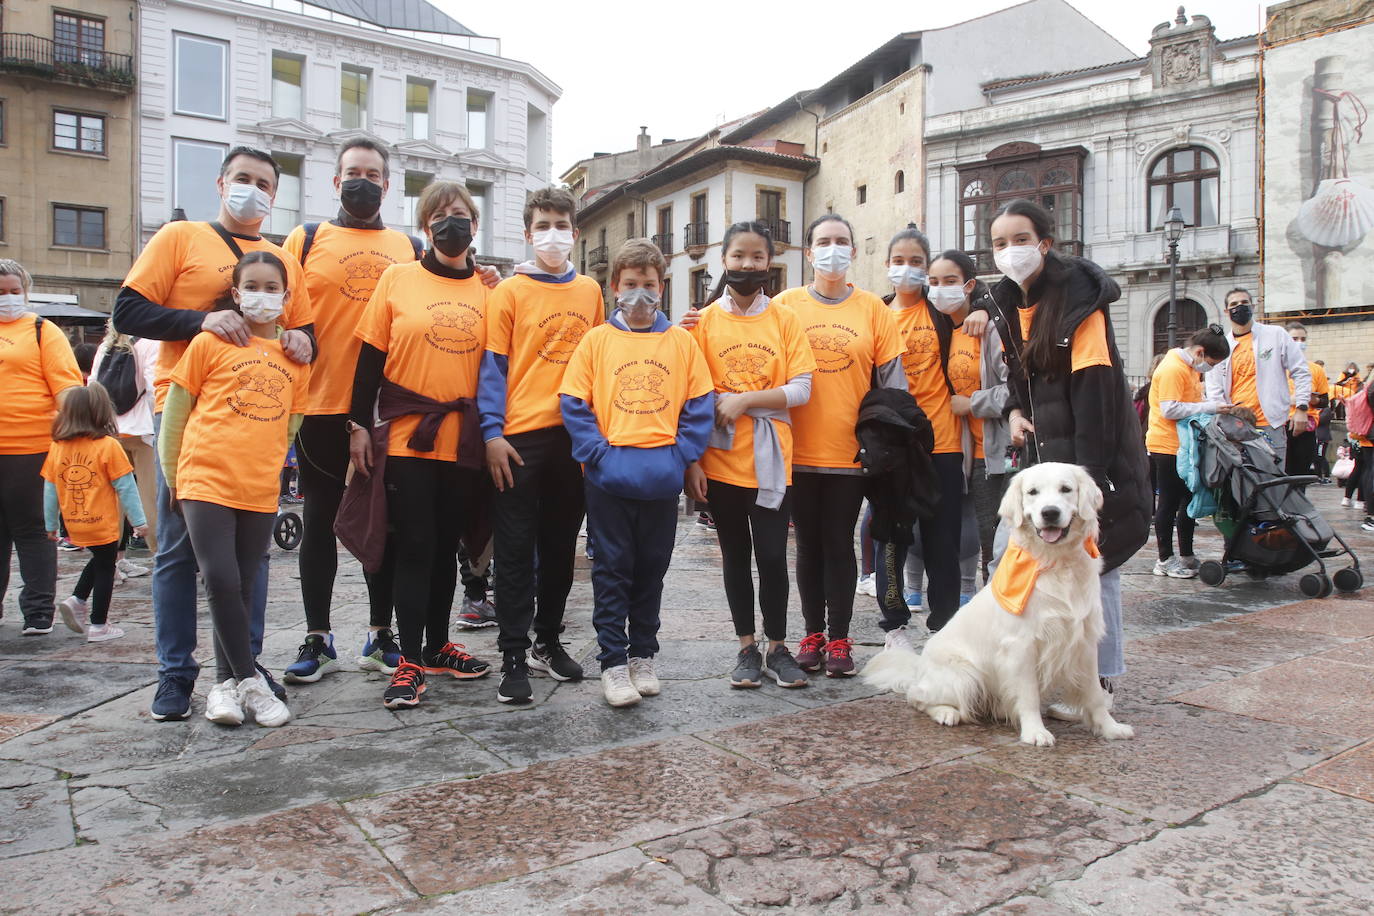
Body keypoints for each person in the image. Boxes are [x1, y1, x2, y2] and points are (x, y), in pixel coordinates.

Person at [114, 146, 316, 721]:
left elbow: (295, 332)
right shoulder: (180, 238)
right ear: (222, 182)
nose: (251, 189)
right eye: (242, 179)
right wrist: (198, 320)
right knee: (180, 549)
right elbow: (127, 311)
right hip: (187, 403)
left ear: (274, 195)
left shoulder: (282, 260)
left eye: (263, 183)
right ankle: (176, 672)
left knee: (249, 555)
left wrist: (308, 341)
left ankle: (243, 665)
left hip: (256, 420)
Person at [985, 198, 1151, 698]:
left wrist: (1091, 479)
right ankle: (1030, 666)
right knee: (1010, 554)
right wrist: (1014, 412)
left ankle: (1098, 680)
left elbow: (1096, 392)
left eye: (1020, 240)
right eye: (999, 243)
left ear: (1045, 243)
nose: (1010, 251)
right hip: (1043, 460)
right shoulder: (1010, 303)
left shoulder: (1081, 302)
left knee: (1096, 568)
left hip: (1091, 459)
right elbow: (1020, 380)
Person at [278, 139, 425, 684]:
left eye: (373, 173)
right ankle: (318, 637)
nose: (362, 181)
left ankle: (380, 633)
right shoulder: (306, 239)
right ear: (335, 181)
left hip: (388, 409)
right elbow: (278, 307)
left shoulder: (409, 246)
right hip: (320, 404)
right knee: (318, 522)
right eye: (352, 172)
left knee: (381, 525)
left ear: (388, 185)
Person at [349, 180, 493, 710]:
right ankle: (408, 658)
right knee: (413, 546)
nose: (450, 222)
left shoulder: (489, 290)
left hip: (465, 442)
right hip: (409, 438)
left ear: (474, 226)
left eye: (460, 214)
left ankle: (437, 647)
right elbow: (368, 363)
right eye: (439, 214)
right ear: (424, 225)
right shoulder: (396, 280)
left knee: (448, 547)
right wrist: (357, 425)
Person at [560, 239, 715, 706]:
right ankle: (612, 662)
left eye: (649, 285)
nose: (640, 294)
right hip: (609, 478)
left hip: (661, 477)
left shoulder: (681, 342)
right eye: (631, 285)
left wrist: (682, 455)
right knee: (611, 570)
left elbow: (700, 403)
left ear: (662, 288)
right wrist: (597, 453)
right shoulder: (597, 341)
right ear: (615, 288)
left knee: (652, 568)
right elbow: (574, 402)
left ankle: (643, 654)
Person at [158, 251, 308, 727]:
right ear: (236, 293)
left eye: (271, 287)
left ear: (286, 298)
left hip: (259, 487)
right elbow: (177, 414)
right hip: (205, 478)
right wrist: (173, 480)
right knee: (219, 578)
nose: (261, 296)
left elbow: (290, 426)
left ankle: (222, 688)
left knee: (242, 587)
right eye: (252, 286)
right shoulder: (208, 344)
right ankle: (250, 682)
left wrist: (270, 471)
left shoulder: (294, 357)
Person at [480, 187, 603, 703]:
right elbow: (493, 368)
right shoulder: (508, 292)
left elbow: (604, 359)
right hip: (519, 439)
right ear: (527, 233)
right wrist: (491, 432)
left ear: (574, 233)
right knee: (511, 552)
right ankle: (512, 652)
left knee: (560, 550)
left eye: (561, 224)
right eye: (542, 225)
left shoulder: (591, 291)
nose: (552, 233)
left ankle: (547, 641)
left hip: (574, 440)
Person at [680, 221, 815, 688]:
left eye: (757, 257)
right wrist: (691, 463)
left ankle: (779, 647)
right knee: (735, 556)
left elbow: (801, 388)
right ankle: (745, 648)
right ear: (723, 260)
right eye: (738, 256)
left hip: (771, 460)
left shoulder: (784, 319)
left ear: (769, 263)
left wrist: (744, 401)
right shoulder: (703, 324)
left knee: (774, 557)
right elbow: (691, 399)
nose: (747, 265)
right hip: (720, 462)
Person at [774, 214, 903, 677]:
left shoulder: (874, 310)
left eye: (842, 241)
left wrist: (889, 447)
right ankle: (812, 634)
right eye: (824, 242)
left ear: (853, 251)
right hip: (798, 451)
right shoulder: (785, 305)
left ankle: (842, 638)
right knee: (807, 545)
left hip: (851, 454)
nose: (833, 249)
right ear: (809, 253)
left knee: (840, 543)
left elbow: (893, 388)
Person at [869, 231, 962, 651]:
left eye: (917, 260)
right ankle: (895, 625)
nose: (907, 266)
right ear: (887, 264)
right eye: (899, 258)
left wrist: (977, 312)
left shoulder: (943, 314)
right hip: (894, 448)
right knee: (890, 537)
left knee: (944, 541)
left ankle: (945, 623)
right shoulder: (875, 314)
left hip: (942, 443)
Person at [1, 259, 85, 634]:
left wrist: (81, 426)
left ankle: (37, 611)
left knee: (34, 530)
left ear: (26, 292)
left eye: (14, 292)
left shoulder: (41, 331)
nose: (8, 299)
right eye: (1, 293)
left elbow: (66, 386)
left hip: (32, 447)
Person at [44, 384, 149, 641]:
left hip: (75, 522)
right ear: (102, 412)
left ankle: (77, 599)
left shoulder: (58, 447)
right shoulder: (108, 446)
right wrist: (139, 521)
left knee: (101, 560)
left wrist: (50, 525)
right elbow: (127, 487)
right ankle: (99, 624)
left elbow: (50, 488)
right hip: (103, 521)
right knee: (106, 566)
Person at [1145, 324, 1231, 578]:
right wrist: (1210, 408)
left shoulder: (1189, 368)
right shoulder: (1173, 368)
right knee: (1169, 503)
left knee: (1187, 502)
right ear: (1200, 352)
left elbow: (1188, 404)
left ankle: (1186, 554)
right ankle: (1164, 559)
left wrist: (1212, 406)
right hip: (1167, 445)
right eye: (1212, 363)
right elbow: (1170, 409)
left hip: (1183, 445)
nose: (1210, 369)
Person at [1203, 288, 1310, 465]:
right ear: (1226, 311)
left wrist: (1302, 407)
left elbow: (1301, 371)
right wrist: (1222, 421)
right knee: (1240, 483)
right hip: (1236, 426)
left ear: (1253, 306)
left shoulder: (1276, 335)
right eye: (1234, 304)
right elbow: (1214, 387)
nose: (1240, 307)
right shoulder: (1222, 346)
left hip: (1270, 422)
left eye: (1244, 303)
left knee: (1274, 483)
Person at [90, 321, 159, 571]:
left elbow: (93, 387)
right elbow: (154, 387)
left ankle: (112, 564)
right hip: (142, 432)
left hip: (111, 431)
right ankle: (161, 556)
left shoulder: (106, 346)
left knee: (113, 500)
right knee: (150, 497)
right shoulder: (152, 342)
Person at [1282, 321, 1327, 479]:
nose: (1299, 343)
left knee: (1301, 472)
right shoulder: (1276, 366)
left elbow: (1324, 401)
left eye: (1303, 339)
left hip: (1306, 425)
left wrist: (1313, 400)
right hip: (1280, 423)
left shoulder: (1315, 369)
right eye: (1294, 339)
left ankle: (1298, 502)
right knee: (1282, 470)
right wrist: (1291, 400)